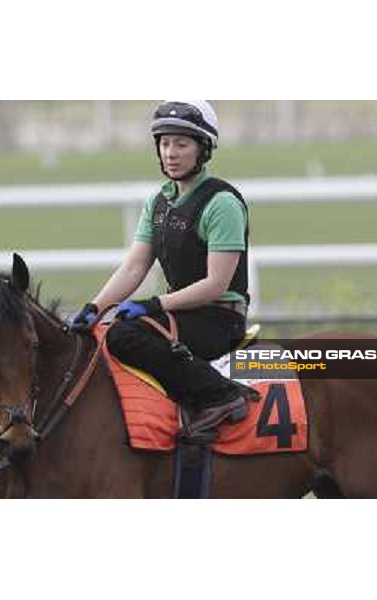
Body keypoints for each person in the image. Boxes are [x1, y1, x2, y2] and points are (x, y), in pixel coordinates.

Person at [70, 100, 254, 436]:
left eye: (182, 144)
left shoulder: (222, 204)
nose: (171, 152)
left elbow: (216, 284)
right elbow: (134, 267)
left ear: (204, 149)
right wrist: (94, 308)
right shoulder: (159, 202)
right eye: (165, 143)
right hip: (184, 316)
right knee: (103, 331)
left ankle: (221, 395)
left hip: (219, 319)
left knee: (126, 335)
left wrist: (153, 305)